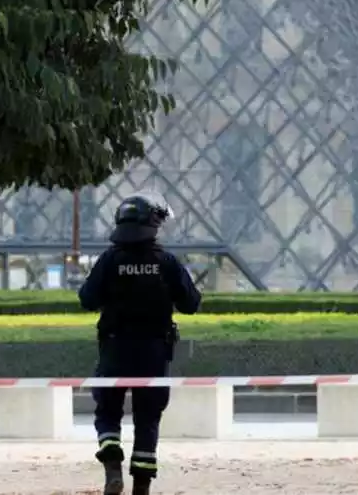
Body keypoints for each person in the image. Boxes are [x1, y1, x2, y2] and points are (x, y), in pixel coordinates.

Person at [78, 191, 202, 495]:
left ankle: (111, 468)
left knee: (107, 412)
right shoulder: (167, 262)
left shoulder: (109, 259)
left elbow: (86, 298)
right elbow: (190, 303)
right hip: (154, 352)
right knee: (148, 419)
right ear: (153, 224)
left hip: (114, 348)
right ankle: (141, 488)